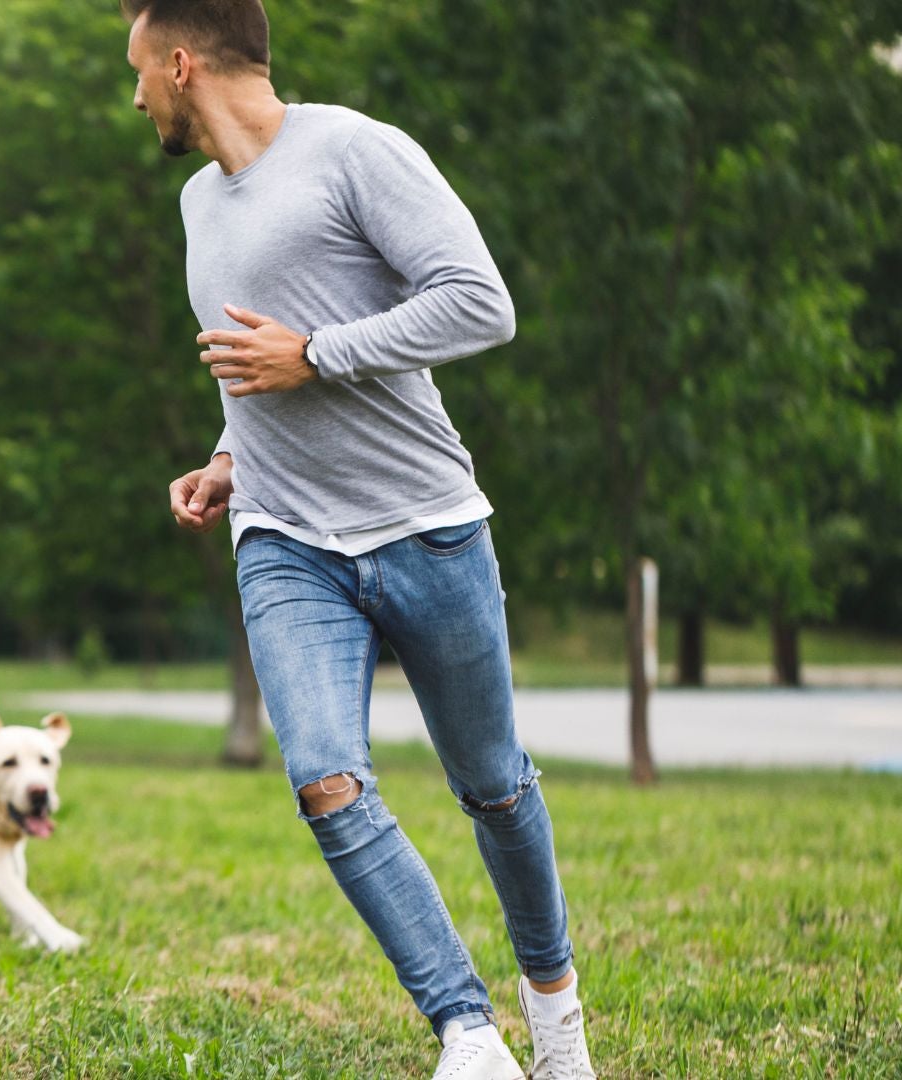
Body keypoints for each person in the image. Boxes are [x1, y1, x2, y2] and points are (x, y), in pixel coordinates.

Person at [124, 2, 599, 1077]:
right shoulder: (200, 204)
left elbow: (481, 304)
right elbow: (264, 368)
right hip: (285, 539)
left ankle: (557, 1022)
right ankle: (469, 1034)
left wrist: (322, 354)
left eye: (138, 69)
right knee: (326, 781)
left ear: (183, 62)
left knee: (494, 786)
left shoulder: (356, 150)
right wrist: (229, 459)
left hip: (427, 529)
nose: (136, 94)